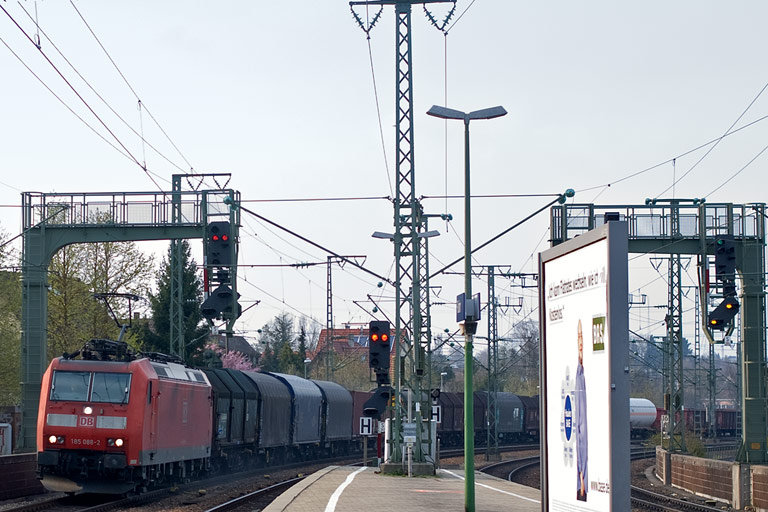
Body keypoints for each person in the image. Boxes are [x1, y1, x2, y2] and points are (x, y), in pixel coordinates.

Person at [574, 319, 588, 502]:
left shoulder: (586, 376)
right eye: (578, 337)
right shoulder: (577, 375)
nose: (580, 343)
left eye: (581, 338)